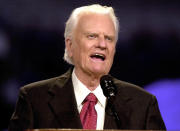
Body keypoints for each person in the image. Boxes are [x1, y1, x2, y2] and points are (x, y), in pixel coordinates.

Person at [9, 4, 166, 131]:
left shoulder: (143, 105)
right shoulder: (34, 99)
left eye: (109, 39)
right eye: (92, 36)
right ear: (70, 46)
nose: (102, 44)